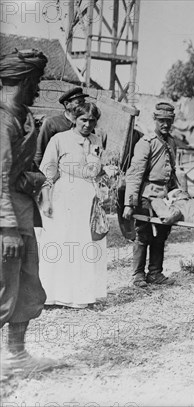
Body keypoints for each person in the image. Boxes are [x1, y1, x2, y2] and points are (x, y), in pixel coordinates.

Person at [0, 48, 57, 379]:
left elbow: (21, 170)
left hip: (22, 213)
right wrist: (6, 228)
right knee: (3, 288)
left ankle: (16, 355)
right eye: (35, 81)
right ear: (21, 80)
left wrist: (32, 178)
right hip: (6, 219)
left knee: (26, 285)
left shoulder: (22, 118)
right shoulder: (3, 121)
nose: (38, 89)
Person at [37, 102, 108, 308]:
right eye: (83, 120)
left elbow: (95, 170)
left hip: (88, 198)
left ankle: (80, 296)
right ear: (74, 119)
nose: (87, 124)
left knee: (85, 245)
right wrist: (47, 200)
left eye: (92, 121)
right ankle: (53, 295)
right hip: (64, 196)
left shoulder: (96, 140)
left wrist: (105, 173)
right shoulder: (60, 139)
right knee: (61, 244)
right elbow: (47, 174)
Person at [123, 103, 179, 287]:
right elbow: (135, 173)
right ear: (154, 119)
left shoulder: (171, 142)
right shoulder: (146, 143)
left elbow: (172, 172)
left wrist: (178, 195)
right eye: (161, 120)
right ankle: (138, 274)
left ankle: (155, 272)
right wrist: (130, 203)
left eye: (168, 121)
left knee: (162, 234)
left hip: (163, 198)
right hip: (146, 196)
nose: (165, 124)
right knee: (143, 234)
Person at [34, 87, 88, 166]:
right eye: (79, 102)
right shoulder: (52, 123)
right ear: (67, 104)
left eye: (84, 102)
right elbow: (40, 153)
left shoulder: (86, 124)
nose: (83, 106)